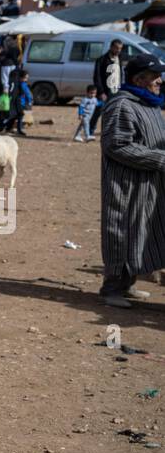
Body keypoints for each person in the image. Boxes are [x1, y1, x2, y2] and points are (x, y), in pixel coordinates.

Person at [97, 53, 165, 309]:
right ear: (139, 79)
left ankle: (128, 284)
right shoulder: (122, 105)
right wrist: (159, 158)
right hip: (125, 185)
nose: (160, 80)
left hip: (148, 185)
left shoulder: (150, 104)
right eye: (155, 76)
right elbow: (115, 146)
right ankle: (111, 289)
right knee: (121, 233)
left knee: (142, 233)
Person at [91, 39, 124, 136]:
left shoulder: (120, 58)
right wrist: (101, 92)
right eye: (117, 48)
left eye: (120, 48)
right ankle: (90, 131)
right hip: (105, 91)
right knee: (98, 111)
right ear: (111, 47)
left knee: (115, 112)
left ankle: (109, 132)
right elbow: (97, 77)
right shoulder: (102, 60)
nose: (118, 50)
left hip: (116, 90)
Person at [0, 68, 31, 136]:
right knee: (8, 115)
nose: (26, 80)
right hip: (11, 100)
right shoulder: (15, 81)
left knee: (19, 114)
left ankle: (14, 129)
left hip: (16, 100)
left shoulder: (18, 81)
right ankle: (3, 128)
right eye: (25, 78)